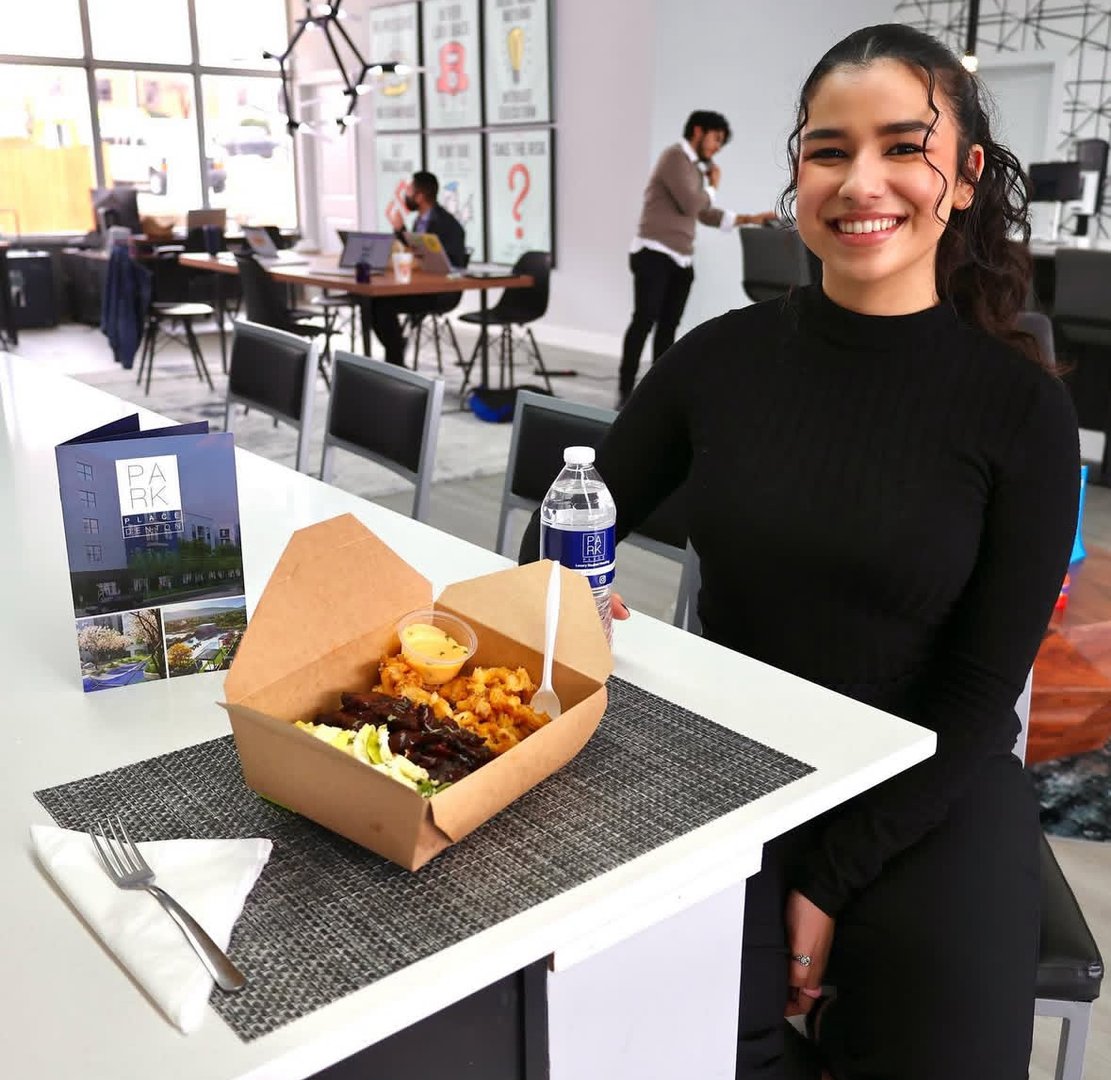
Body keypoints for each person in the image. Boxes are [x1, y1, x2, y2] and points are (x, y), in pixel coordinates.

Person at [524, 23, 1080, 1080]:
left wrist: (827, 881)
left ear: (961, 178)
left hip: (931, 782)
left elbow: (978, 689)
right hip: (727, 764)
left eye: (899, 146)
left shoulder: (1019, 413)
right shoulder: (718, 364)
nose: (859, 180)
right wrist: (574, 606)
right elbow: (564, 529)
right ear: (797, 172)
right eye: (828, 149)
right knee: (648, 1040)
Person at [618, 109, 777, 407]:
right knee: (644, 320)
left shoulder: (695, 170)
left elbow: (704, 214)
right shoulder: (675, 157)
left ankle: (656, 391)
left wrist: (750, 218)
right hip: (654, 252)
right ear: (699, 131)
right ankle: (625, 389)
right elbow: (693, 203)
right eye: (717, 139)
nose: (717, 147)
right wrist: (713, 185)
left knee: (669, 325)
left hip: (681, 259)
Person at [369, 170, 467, 366]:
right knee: (373, 301)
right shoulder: (420, 220)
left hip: (437, 292)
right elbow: (414, 253)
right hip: (417, 285)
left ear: (420, 197)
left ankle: (395, 358)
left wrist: (401, 230)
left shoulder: (447, 224)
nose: (406, 195)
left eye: (409, 191)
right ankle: (396, 349)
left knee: (383, 305)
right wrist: (400, 230)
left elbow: (442, 261)